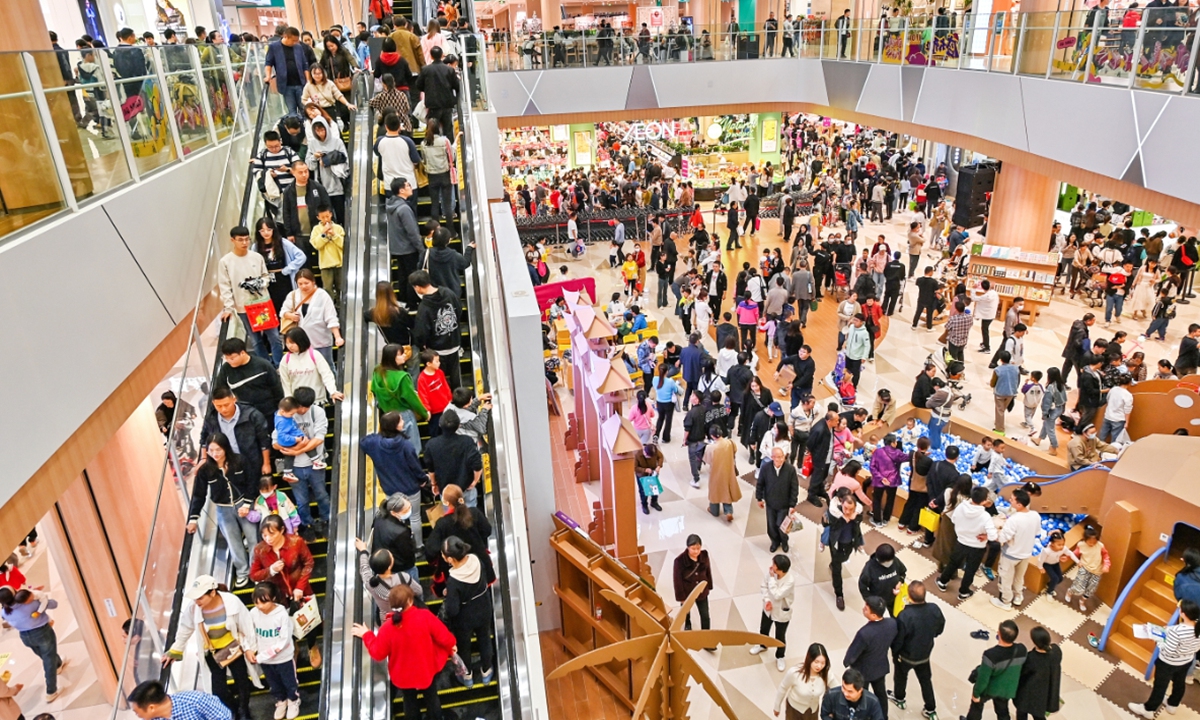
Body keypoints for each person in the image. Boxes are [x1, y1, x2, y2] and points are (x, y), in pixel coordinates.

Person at [352, 585, 456, 720]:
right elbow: (444, 637)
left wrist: (367, 635)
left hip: (403, 676)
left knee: (409, 701)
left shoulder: (387, 629)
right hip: (426, 669)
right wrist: (452, 646)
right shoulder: (424, 616)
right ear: (410, 601)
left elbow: (378, 653)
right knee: (431, 697)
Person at [163, 575, 256, 719]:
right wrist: (175, 651)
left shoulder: (231, 602)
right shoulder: (193, 608)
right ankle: (233, 710)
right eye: (195, 598)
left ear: (212, 593)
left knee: (242, 681)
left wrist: (250, 648)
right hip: (212, 652)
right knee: (218, 689)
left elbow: (246, 625)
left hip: (233, 648)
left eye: (200, 598)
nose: (197, 602)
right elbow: (185, 629)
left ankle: (244, 709)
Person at [218, 226, 282, 362]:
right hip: (243, 306)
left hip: (262, 303)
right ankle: (265, 364)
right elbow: (225, 286)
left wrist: (260, 283)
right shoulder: (225, 262)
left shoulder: (256, 257)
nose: (244, 243)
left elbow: (266, 276)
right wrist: (228, 308)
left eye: (247, 239)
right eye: (240, 240)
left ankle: (279, 365)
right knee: (255, 340)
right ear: (232, 240)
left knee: (275, 337)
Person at [362, 412, 428, 543]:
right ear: (396, 426)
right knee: (415, 517)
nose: (403, 422)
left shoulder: (374, 443)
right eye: (400, 420)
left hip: (389, 489)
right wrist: (423, 480)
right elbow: (415, 467)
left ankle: (402, 543)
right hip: (410, 488)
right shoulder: (406, 445)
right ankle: (419, 545)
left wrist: (379, 435)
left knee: (396, 517)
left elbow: (363, 441)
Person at [440, 536, 495, 687]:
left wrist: (449, 596)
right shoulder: (476, 560)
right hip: (484, 609)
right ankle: (486, 672)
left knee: (464, 646)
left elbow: (453, 610)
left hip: (465, 619)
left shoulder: (454, 580)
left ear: (450, 559)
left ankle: (467, 676)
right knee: (485, 640)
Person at [888, 581, 944, 718]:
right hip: (925, 654)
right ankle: (930, 708)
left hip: (905, 656)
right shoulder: (934, 609)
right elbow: (940, 627)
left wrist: (895, 653)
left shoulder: (904, 615)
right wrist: (932, 635)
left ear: (908, 596)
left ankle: (899, 698)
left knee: (900, 677)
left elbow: (898, 639)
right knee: (926, 681)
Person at [0, 587, 66, 703]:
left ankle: (58, 665)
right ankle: (51, 691)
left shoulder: (4, 612)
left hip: (25, 637)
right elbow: (53, 604)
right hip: (42, 633)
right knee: (48, 659)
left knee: (46, 655)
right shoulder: (30, 603)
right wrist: (38, 596)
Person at [246, 583, 301, 719]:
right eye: (256, 603)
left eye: (264, 602)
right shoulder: (253, 613)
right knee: (273, 683)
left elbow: (283, 641)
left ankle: (293, 700)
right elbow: (249, 633)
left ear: (274, 598)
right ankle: (281, 700)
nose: (259, 606)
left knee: (289, 682)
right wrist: (249, 649)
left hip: (283, 658)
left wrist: (261, 656)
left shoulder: (282, 615)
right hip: (265, 660)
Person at [935, 486, 997, 600]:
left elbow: (954, 520)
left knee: (953, 563)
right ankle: (963, 591)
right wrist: (986, 536)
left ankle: (942, 582)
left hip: (961, 542)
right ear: (984, 501)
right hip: (977, 547)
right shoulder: (985, 516)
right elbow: (993, 536)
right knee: (970, 570)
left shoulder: (961, 507)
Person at [844, 596, 898, 720]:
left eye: (866, 608)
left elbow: (852, 654)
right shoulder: (892, 623)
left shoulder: (865, 633)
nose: (863, 609)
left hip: (863, 671)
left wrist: (847, 662)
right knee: (881, 694)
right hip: (880, 666)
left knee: (863, 697)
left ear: (873, 615)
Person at [410, 270, 464, 390]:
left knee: (440, 380)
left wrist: (422, 344)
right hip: (455, 343)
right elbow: (459, 310)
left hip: (437, 350)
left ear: (417, 287)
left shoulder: (424, 307)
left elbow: (421, 332)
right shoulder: (448, 293)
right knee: (456, 376)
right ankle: (460, 395)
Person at [964, 620, 1027, 720]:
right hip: (1007, 689)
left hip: (990, 688)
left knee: (976, 706)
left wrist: (976, 694)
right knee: (1003, 711)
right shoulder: (1022, 649)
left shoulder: (990, 655)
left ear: (999, 634)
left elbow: (983, 679)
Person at [991, 489, 1042, 610]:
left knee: (1005, 578)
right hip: (1025, 553)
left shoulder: (1014, 519)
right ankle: (1018, 596)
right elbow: (1037, 533)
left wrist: (995, 532)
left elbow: (1003, 538)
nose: (1010, 500)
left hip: (1010, 554)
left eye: (1012, 499)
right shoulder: (1035, 515)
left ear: (1019, 504)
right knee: (1019, 577)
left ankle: (1005, 601)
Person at [750, 555, 796, 672]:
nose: (771, 566)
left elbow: (777, 594)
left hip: (781, 611)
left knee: (780, 636)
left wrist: (771, 579)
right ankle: (762, 645)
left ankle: (780, 656)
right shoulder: (771, 573)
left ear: (780, 569)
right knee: (764, 629)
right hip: (768, 608)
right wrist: (767, 600)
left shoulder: (789, 581)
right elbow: (764, 586)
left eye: (774, 565)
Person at [827, 490, 866, 611]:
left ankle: (835, 563)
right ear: (841, 504)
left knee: (844, 558)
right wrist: (841, 517)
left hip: (849, 543)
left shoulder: (857, 514)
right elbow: (826, 521)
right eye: (845, 508)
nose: (848, 512)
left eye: (851, 509)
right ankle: (839, 594)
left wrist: (855, 516)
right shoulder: (834, 513)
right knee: (837, 567)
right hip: (836, 544)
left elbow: (860, 520)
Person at [264, 27, 317, 114]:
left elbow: (304, 65)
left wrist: (308, 80)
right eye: (293, 40)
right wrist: (268, 76)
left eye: (297, 40)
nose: (295, 42)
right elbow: (268, 63)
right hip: (286, 85)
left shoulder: (298, 47)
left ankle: (305, 122)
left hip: (300, 83)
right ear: (285, 37)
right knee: (292, 110)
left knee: (305, 109)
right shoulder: (274, 47)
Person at [757, 446, 800, 553]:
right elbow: (760, 484)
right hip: (770, 503)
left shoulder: (790, 469)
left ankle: (784, 541)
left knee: (782, 526)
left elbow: (794, 488)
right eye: (777, 457)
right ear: (772, 457)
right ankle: (775, 542)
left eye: (782, 457)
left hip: (784, 504)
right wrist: (759, 498)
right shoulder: (766, 468)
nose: (780, 459)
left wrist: (792, 504)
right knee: (771, 526)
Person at [1014, 627, 1062, 720]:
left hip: (1028, 692)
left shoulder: (1031, 658)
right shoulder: (1056, 651)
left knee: (1021, 711)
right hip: (1046, 692)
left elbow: (1022, 674)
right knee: (1038, 715)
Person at [371, 493, 419, 581]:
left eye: (410, 506)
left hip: (386, 560)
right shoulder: (400, 532)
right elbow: (408, 553)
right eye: (406, 510)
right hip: (401, 568)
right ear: (393, 512)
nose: (409, 510)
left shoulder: (379, 517)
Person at [127, 681, 231, 720]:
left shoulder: (196, 701)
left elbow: (224, 717)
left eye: (136, 712)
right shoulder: (154, 718)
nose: (137, 716)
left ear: (151, 708)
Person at [1064, 525, 1110, 612]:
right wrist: (1067, 557)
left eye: (1094, 542)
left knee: (1091, 589)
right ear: (1085, 539)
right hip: (1084, 567)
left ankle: (1082, 601)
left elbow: (1106, 556)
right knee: (1079, 585)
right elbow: (1075, 553)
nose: (1092, 544)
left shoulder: (1100, 546)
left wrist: (1106, 565)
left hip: (1097, 571)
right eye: (1090, 542)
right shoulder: (1081, 545)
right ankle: (1070, 592)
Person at [415, 46, 459, 137]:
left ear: (431, 56)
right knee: (448, 129)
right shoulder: (449, 70)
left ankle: (431, 145)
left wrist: (427, 90)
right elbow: (456, 86)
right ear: (442, 55)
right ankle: (449, 145)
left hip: (432, 104)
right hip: (447, 103)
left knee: (432, 129)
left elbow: (418, 85)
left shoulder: (426, 70)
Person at [673, 535, 713, 632]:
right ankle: (688, 624)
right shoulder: (679, 561)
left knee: (705, 616)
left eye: (698, 548)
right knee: (686, 612)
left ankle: (706, 634)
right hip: (687, 592)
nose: (696, 551)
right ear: (688, 547)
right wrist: (681, 597)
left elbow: (708, 571)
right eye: (693, 549)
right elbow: (677, 580)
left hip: (701, 591)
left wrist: (709, 586)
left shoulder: (704, 556)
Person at [868, 435, 909, 528]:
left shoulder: (878, 452)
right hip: (892, 480)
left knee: (877, 499)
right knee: (890, 499)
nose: (896, 443)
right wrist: (920, 453)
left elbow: (872, 467)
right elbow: (908, 457)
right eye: (895, 442)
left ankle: (877, 520)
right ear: (892, 443)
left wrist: (881, 478)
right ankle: (886, 519)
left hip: (879, 480)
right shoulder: (898, 453)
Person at [858, 544, 907, 617]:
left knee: (896, 616)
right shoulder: (870, 567)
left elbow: (903, 572)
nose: (889, 563)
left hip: (894, 597)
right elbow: (862, 586)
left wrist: (900, 582)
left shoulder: (895, 561)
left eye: (891, 560)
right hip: (878, 600)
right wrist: (870, 600)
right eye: (887, 562)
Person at [704, 426, 741, 520]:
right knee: (726, 491)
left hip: (715, 473)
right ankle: (728, 511)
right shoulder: (730, 442)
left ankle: (714, 510)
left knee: (714, 492)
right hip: (728, 471)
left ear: (712, 436)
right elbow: (735, 450)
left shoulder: (710, 447)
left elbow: (707, 460)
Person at [1061, 313, 1095, 385]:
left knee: (1066, 367)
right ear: (1088, 320)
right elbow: (1077, 343)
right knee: (1080, 371)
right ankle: (1081, 386)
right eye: (1093, 321)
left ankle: (1062, 382)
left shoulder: (1076, 324)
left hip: (1069, 350)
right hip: (1075, 354)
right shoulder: (1081, 330)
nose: (1093, 323)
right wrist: (1086, 342)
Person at [991, 351, 1020, 434]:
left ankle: (999, 429)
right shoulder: (1016, 368)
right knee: (1002, 409)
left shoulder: (997, 370)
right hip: (1011, 392)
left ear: (1000, 360)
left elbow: (993, 383)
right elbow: (1017, 380)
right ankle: (998, 421)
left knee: (999, 410)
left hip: (1000, 393)